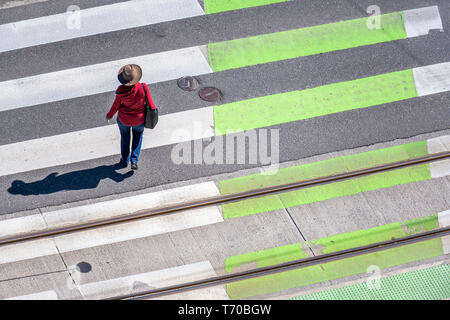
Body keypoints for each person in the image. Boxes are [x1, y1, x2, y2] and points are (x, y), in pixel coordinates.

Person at [106, 64, 156, 170]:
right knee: (137, 137)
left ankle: (125, 160)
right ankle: (134, 160)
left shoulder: (120, 90)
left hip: (124, 120)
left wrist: (109, 116)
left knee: (125, 138)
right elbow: (151, 105)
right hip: (139, 120)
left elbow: (116, 105)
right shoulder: (143, 87)